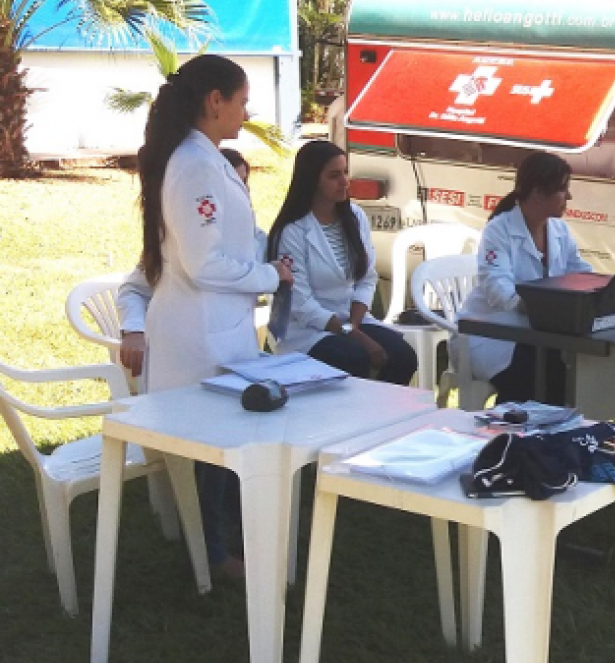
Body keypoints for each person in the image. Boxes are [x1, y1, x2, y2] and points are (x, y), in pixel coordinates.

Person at [136, 54, 293, 579]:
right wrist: (269, 276)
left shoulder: (201, 159)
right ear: (215, 101)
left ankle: (218, 546)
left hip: (215, 329)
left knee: (216, 448)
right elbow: (204, 262)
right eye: (243, 102)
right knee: (206, 449)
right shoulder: (198, 164)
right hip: (198, 335)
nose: (246, 114)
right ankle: (212, 556)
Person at [266, 140, 417, 385]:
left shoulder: (355, 217)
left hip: (350, 320)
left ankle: (380, 415)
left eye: (345, 172)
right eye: (334, 175)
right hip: (308, 330)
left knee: (403, 356)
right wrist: (355, 336)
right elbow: (300, 303)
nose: (345, 181)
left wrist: (353, 327)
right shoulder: (292, 231)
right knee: (353, 358)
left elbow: (367, 278)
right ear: (312, 179)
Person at [460, 152, 593, 405]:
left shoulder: (559, 230)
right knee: (530, 376)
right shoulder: (498, 230)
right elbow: (497, 288)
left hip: (538, 334)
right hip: (492, 335)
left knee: (570, 371)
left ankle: (553, 433)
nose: (569, 196)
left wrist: (605, 287)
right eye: (563, 189)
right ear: (538, 192)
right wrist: (535, 305)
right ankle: (508, 435)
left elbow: (581, 273)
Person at [118, 148, 261, 381]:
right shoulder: (177, 241)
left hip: (238, 352)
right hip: (188, 355)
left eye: (244, 183)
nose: (242, 192)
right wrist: (133, 329)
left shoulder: (257, 240)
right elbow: (134, 289)